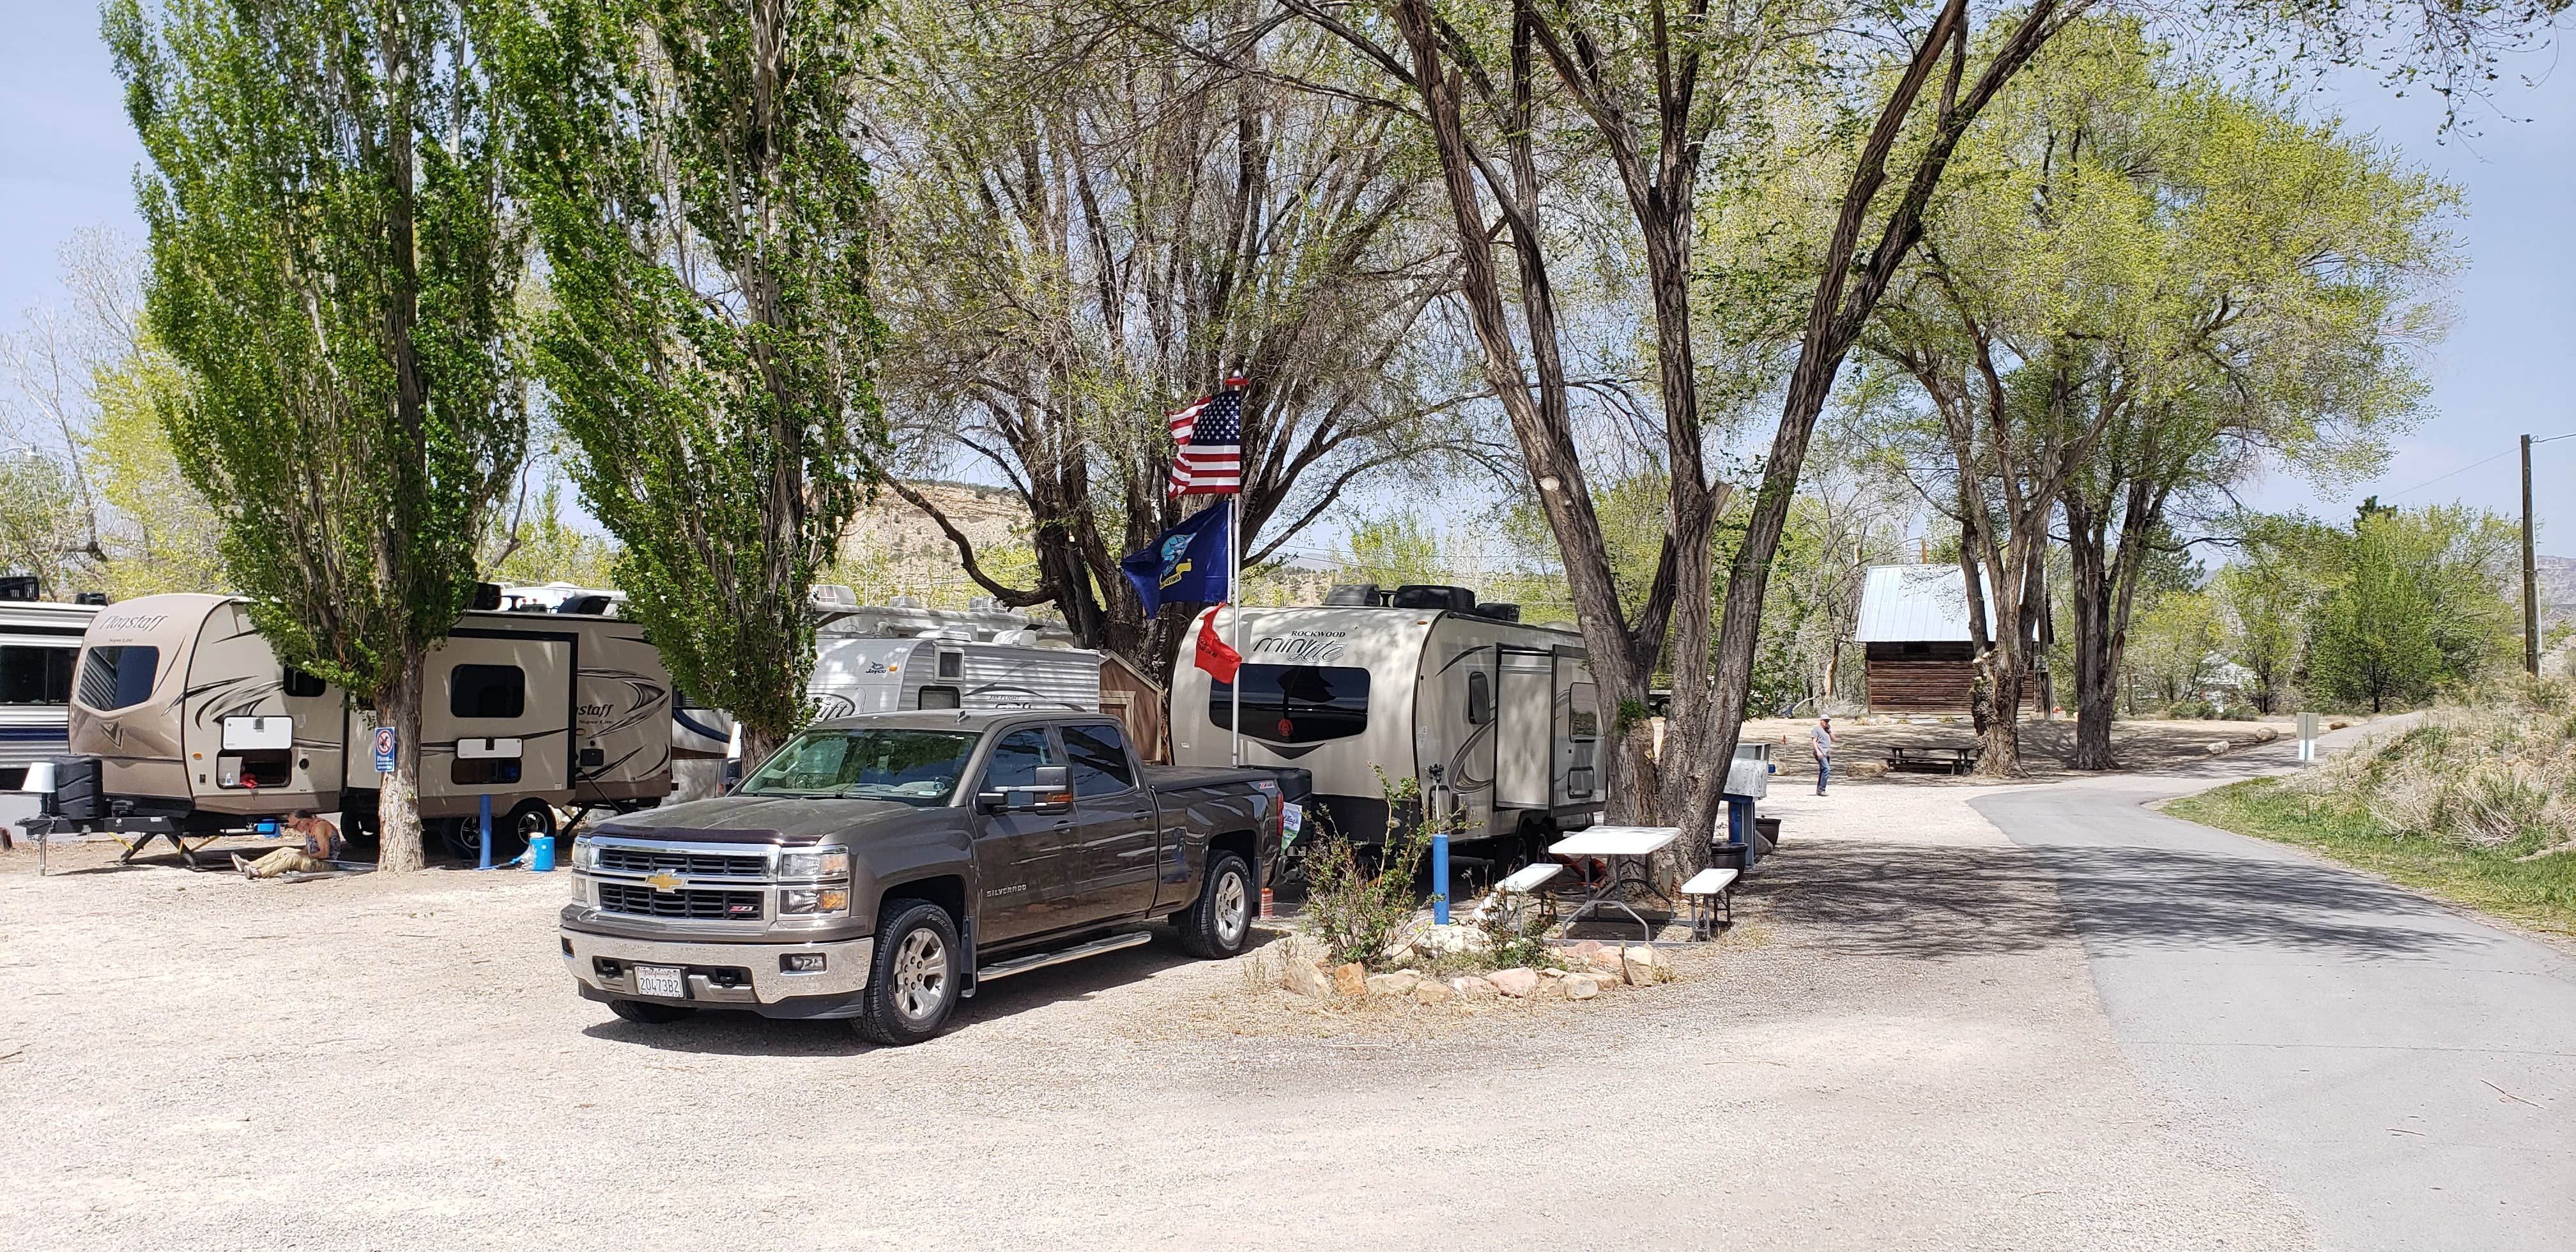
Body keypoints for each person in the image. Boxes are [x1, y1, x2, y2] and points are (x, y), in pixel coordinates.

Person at [233, 810, 342, 880]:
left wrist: (301, 857)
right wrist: (301, 853)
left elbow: (324, 853)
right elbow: (309, 849)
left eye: (295, 826)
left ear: (303, 821)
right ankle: (251, 865)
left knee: (293, 858)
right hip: (316, 860)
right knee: (285, 850)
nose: (295, 829)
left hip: (327, 864)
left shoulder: (319, 827)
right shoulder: (310, 828)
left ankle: (259, 872)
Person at [1811, 715, 1834, 795]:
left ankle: (1819, 789)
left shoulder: (1827, 730)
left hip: (1827, 753)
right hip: (1821, 753)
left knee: (1823, 771)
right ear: (1821, 721)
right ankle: (1822, 789)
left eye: (1828, 721)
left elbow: (1834, 739)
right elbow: (1814, 741)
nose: (1827, 723)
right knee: (1827, 769)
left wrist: (1830, 731)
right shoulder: (1816, 730)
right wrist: (1818, 752)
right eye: (1826, 721)